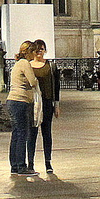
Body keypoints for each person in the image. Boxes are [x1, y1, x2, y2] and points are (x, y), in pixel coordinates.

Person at [7, 42, 41, 175]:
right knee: (22, 134)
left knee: (16, 134)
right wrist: (36, 81)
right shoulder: (25, 63)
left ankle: (14, 165)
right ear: (28, 52)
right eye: (34, 52)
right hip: (20, 101)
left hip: (12, 100)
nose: (35, 54)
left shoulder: (18, 64)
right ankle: (21, 166)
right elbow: (32, 82)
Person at [28, 40, 60, 173]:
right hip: (33, 104)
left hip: (47, 102)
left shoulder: (51, 66)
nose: (39, 52)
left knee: (47, 133)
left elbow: (56, 86)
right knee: (32, 134)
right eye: (37, 49)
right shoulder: (28, 66)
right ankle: (30, 162)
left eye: (41, 49)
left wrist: (56, 104)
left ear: (45, 50)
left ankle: (48, 162)